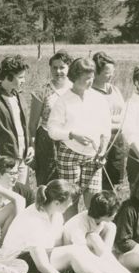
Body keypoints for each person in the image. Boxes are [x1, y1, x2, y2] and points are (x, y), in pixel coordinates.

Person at [0, 180, 126, 273]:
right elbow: (41, 264)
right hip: (17, 260)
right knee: (73, 252)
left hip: (36, 256)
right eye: (70, 201)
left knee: (79, 251)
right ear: (57, 202)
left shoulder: (56, 214)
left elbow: (58, 244)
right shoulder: (33, 220)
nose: (71, 204)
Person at [47, 57, 111, 212]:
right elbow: (52, 131)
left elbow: (106, 129)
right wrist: (72, 134)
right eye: (86, 79)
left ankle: (89, 234)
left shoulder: (99, 99)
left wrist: (103, 152)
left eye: (92, 77)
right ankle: (69, 234)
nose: (91, 81)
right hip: (69, 155)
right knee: (70, 201)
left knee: (94, 201)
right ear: (75, 78)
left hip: (93, 156)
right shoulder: (63, 100)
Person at [63, 191, 139, 273]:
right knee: (93, 237)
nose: (116, 214)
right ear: (104, 215)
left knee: (111, 227)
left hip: (93, 255)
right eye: (114, 212)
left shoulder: (99, 220)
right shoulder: (78, 226)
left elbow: (104, 252)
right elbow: (82, 256)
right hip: (73, 262)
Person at [0, 54, 33, 185]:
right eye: (20, 77)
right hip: (6, 159)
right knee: (5, 197)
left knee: (21, 194)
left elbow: (25, 126)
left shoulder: (19, 96)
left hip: (23, 158)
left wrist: (30, 146)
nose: (24, 81)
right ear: (9, 77)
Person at [29, 50, 72, 186]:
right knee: (47, 181)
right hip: (47, 140)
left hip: (69, 140)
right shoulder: (42, 91)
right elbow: (33, 124)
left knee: (67, 183)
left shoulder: (75, 90)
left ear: (69, 68)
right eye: (54, 67)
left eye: (62, 67)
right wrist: (32, 147)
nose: (58, 71)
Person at [91, 51, 127, 191]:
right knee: (98, 181)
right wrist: (115, 121)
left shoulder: (115, 89)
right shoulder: (90, 92)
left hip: (117, 140)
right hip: (100, 141)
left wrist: (112, 120)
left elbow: (124, 114)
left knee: (112, 182)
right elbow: (94, 120)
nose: (111, 75)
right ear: (96, 72)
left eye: (112, 72)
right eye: (107, 73)